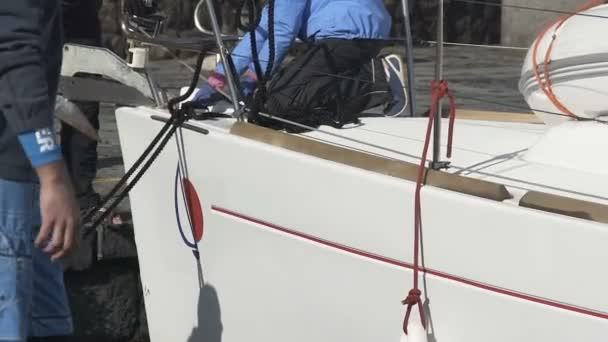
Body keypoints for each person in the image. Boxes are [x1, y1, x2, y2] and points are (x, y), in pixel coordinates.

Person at [192, 0, 404, 131]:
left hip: (346, 34)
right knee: (273, 100)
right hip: (355, 32)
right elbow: (259, 35)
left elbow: (281, 36)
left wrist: (252, 80)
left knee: (274, 108)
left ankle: (378, 81)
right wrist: (217, 81)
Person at [0, 1, 80, 341]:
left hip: (23, 172)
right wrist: (54, 176)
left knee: (47, 321)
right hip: (11, 174)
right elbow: (14, 55)